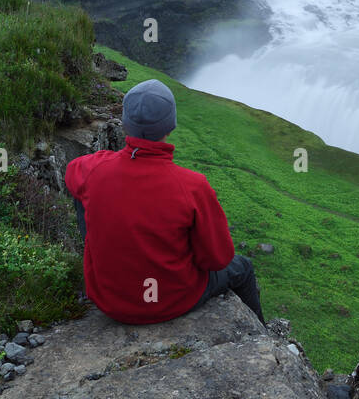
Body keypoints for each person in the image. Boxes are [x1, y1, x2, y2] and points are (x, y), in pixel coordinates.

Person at [64, 78, 265, 325]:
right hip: (171, 301)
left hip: (109, 301)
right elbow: (217, 259)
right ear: (170, 127)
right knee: (242, 268)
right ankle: (264, 337)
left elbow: (72, 173)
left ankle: (101, 258)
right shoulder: (193, 185)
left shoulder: (94, 170)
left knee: (82, 194)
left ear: (125, 124)